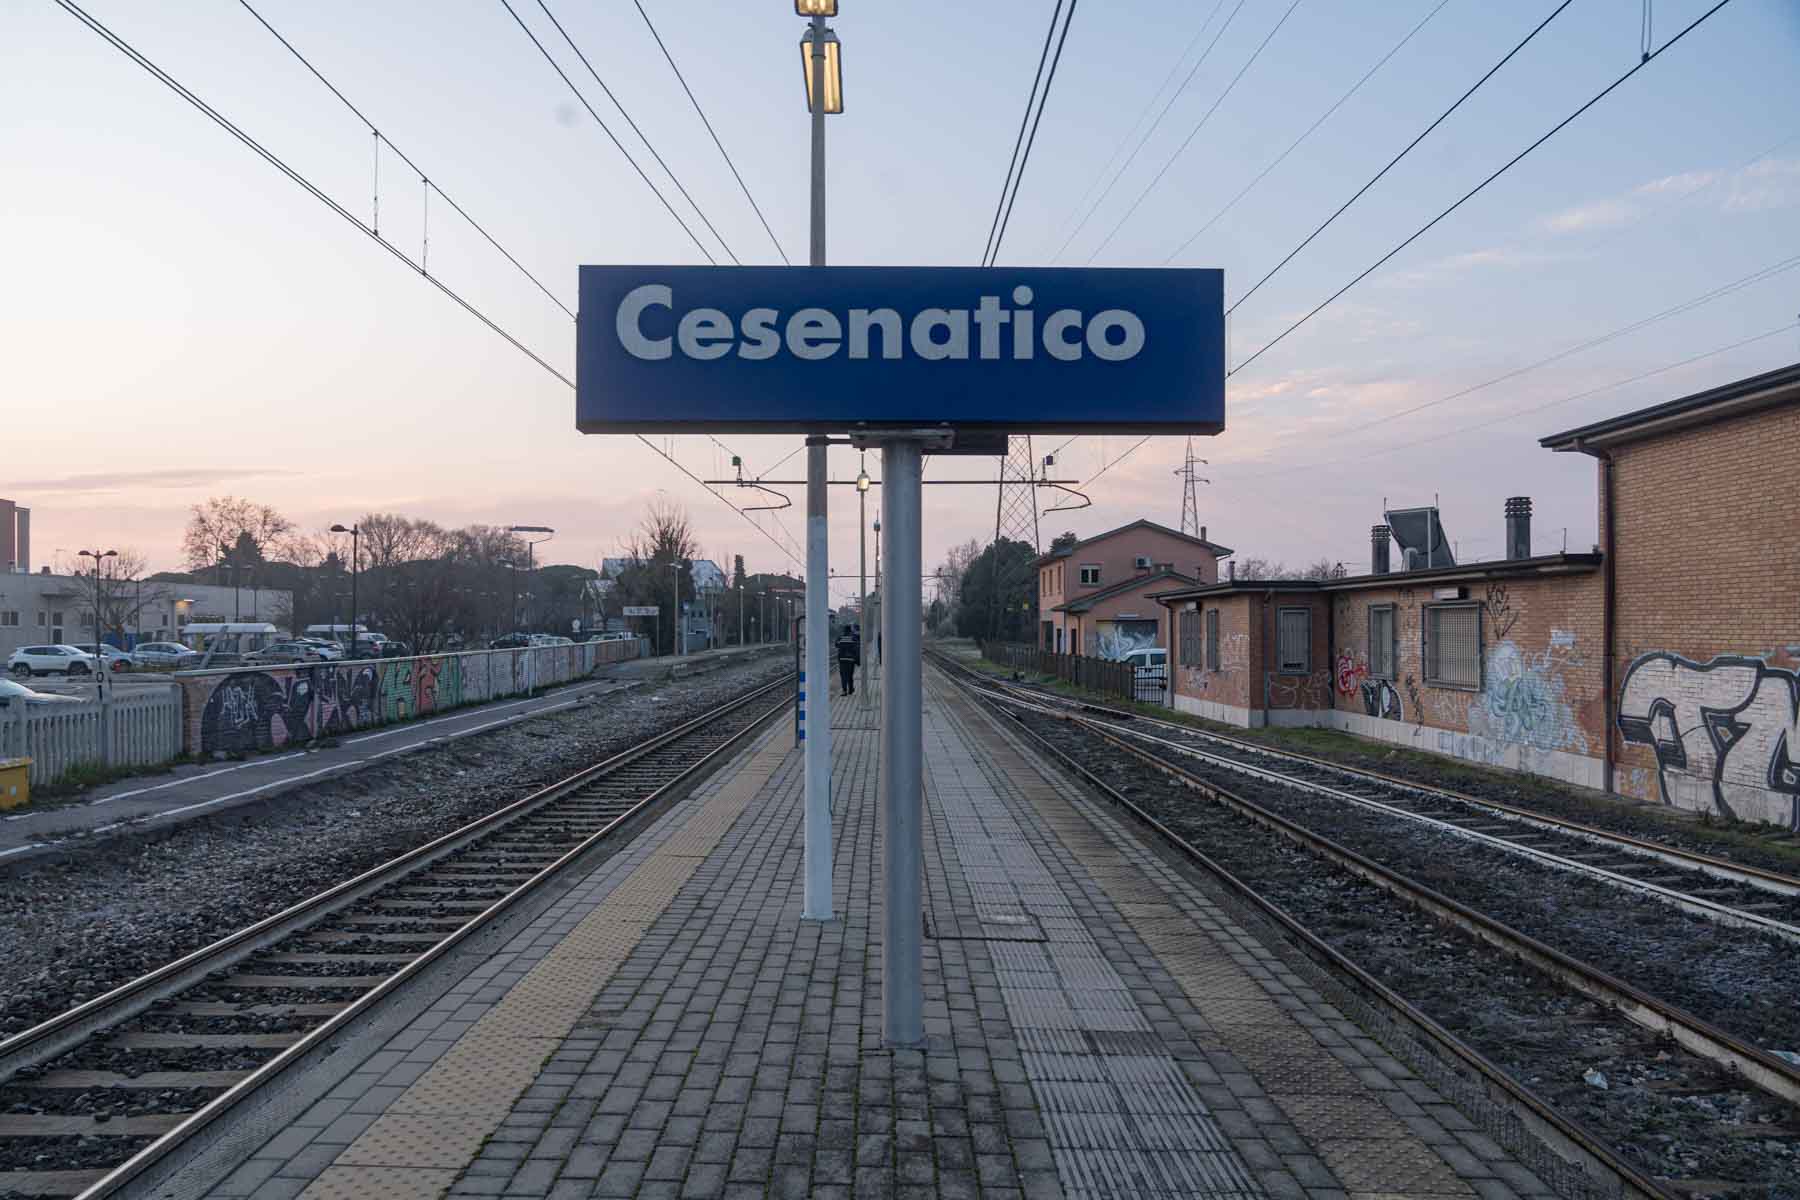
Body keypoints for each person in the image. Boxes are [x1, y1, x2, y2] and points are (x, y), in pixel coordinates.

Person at [836, 623, 861, 696]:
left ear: (844, 630)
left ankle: (844, 691)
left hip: (842, 659)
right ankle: (850, 689)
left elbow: (836, 644)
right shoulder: (853, 638)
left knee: (843, 675)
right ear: (850, 630)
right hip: (851, 660)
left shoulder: (840, 638)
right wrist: (858, 661)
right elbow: (857, 649)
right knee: (850, 675)